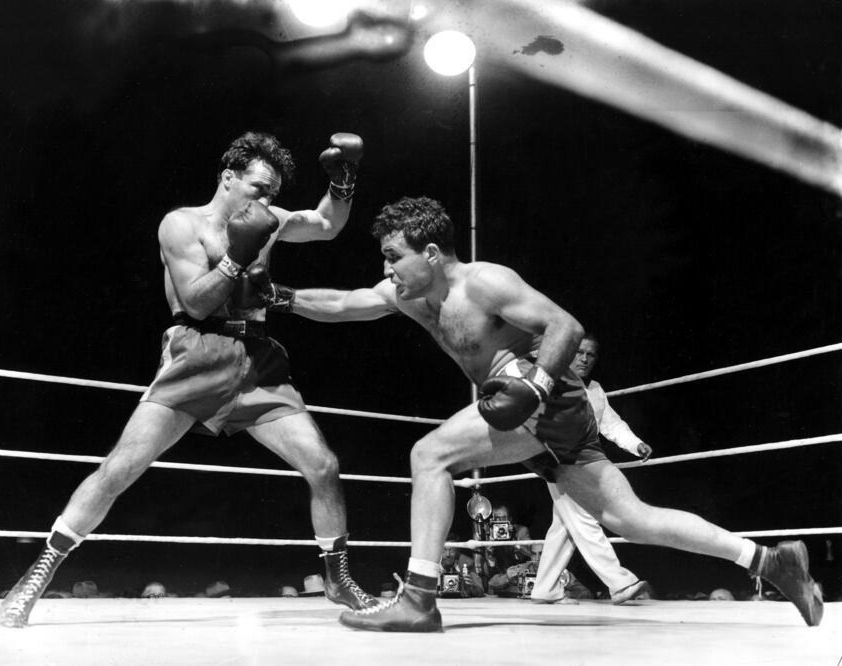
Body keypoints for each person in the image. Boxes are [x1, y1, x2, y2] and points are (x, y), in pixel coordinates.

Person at [247, 195, 823, 632]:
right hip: (529, 410)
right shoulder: (406, 294)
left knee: (430, 454)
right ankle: (771, 560)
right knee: (630, 517)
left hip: (544, 399)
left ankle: (420, 600)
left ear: (430, 252)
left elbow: (565, 326)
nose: (387, 267)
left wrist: (538, 387)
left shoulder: (486, 282)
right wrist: (280, 297)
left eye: (393, 256)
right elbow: (348, 305)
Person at [0, 130, 378, 629]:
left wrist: (343, 183)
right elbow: (197, 301)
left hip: (258, 359)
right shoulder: (181, 225)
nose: (267, 201)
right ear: (227, 178)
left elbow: (327, 225)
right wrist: (237, 255)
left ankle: (338, 577)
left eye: (273, 194)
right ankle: (38, 575)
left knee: (323, 465)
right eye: (258, 188)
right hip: (196, 350)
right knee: (119, 470)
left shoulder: (272, 220)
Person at [531, 334, 653, 605]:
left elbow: (611, 424)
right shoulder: (553, 383)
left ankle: (544, 588)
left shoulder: (595, 389)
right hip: (558, 461)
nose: (584, 359)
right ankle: (620, 583)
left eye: (591, 355)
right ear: (568, 353)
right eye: (579, 353)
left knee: (564, 526)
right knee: (585, 518)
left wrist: (636, 444)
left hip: (586, 463)